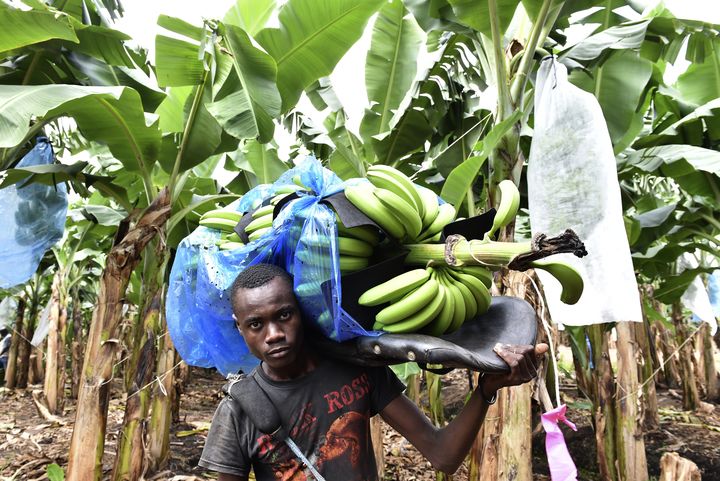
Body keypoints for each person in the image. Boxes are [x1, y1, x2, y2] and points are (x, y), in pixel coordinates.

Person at [199, 263, 548, 481]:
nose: (273, 333)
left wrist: (486, 389)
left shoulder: (357, 370)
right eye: (256, 324)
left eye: (284, 315)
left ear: (301, 311)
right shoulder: (238, 411)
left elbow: (443, 455)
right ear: (240, 328)